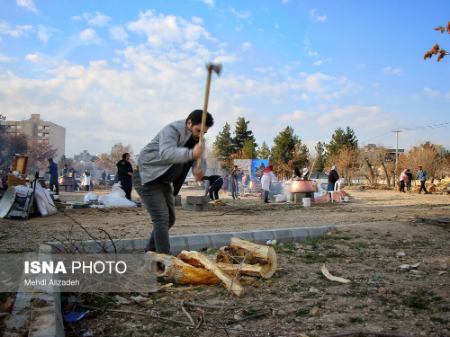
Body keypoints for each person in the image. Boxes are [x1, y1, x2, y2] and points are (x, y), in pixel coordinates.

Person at [134, 109, 213, 254]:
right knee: (161, 218)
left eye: (204, 133)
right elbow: (166, 153)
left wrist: (200, 170)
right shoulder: (171, 131)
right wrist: (190, 154)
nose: (200, 135)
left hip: (163, 181)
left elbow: (200, 161)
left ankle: (150, 251)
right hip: (147, 176)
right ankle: (164, 259)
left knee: (169, 219)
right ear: (189, 123)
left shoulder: (198, 140)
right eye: (198, 130)